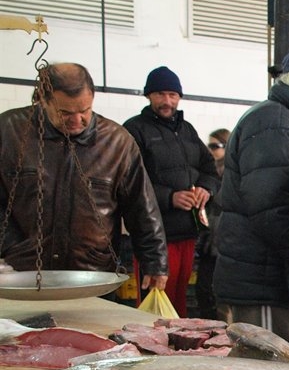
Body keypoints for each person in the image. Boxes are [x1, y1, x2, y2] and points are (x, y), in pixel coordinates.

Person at [0, 62, 167, 291]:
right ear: (43, 100)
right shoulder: (10, 131)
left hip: (93, 275)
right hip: (23, 273)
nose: (77, 121)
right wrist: (11, 246)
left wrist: (155, 263)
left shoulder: (117, 142)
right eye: (65, 113)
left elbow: (142, 207)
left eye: (84, 110)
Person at [214, 47, 289, 347]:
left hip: (269, 280)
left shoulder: (286, 121)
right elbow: (273, 208)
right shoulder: (274, 123)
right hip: (264, 282)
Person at [124, 66, 219, 317]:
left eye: (172, 95)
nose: (167, 101)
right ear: (148, 96)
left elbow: (210, 170)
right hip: (154, 237)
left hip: (187, 233)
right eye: (160, 94)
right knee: (153, 307)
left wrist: (205, 189)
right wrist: (169, 197)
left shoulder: (187, 130)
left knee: (179, 305)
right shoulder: (134, 130)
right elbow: (130, 181)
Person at [194, 127, 229, 321]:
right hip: (210, 241)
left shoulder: (230, 174)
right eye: (209, 145)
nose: (210, 150)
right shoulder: (209, 174)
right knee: (204, 291)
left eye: (215, 146)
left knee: (214, 294)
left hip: (222, 244)